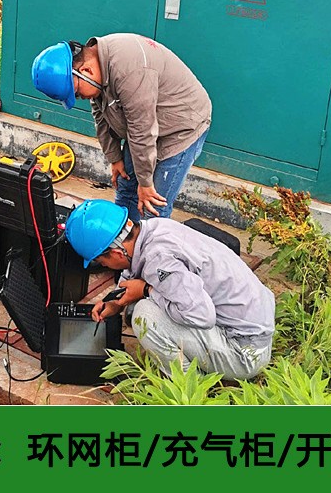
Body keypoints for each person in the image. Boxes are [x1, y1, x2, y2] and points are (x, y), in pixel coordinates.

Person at [65, 198, 275, 381]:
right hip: (252, 324)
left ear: (116, 253)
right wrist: (116, 301)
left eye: (102, 262)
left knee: (144, 316)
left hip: (244, 353)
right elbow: (134, 264)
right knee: (136, 307)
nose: (104, 266)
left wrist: (146, 290)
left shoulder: (159, 258)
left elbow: (201, 316)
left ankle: (190, 386)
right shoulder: (152, 228)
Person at [31, 34, 211, 222]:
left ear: (85, 70)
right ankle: (123, 239)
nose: (79, 98)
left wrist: (145, 182)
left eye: (76, 93)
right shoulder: (98, 67)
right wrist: (115, 158)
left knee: (153, 207)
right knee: (126, 190)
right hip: (145, 124)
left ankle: (148, 241)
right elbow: (101, 116)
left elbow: (141, 130)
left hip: (181, 126)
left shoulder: (130, 71)